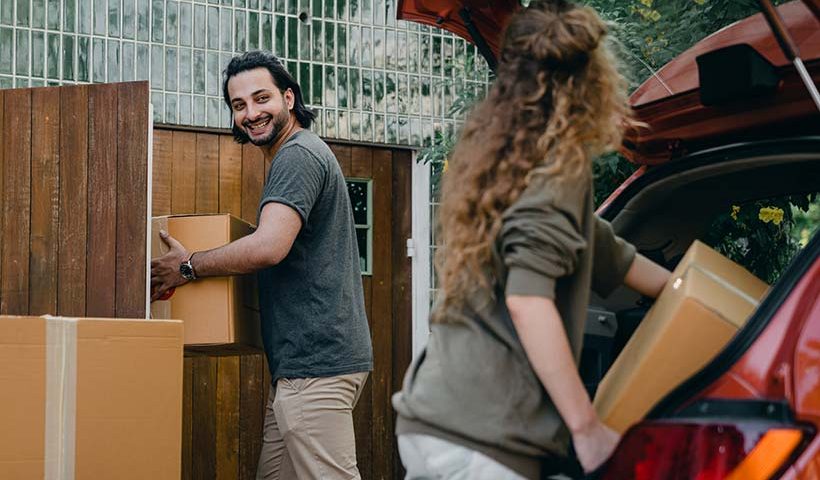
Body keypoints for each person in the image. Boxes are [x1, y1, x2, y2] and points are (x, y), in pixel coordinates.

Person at [392, 1, 672, 479]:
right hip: (485, 441)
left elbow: (610, 254)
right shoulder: (559, 168)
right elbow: (528, 301)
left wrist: (703, 298)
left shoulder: (499, 164)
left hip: (428, 423)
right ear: (589, 82)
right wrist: (586, 428)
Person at [150, 50, 373, 480]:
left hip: (315, 367)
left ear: (289, 98)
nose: (251, 113)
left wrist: (189, 266)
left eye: (261, 98)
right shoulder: (299, 155)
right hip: (301, 368)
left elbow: (270, 246)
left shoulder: (298, 156)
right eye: (239, 105)